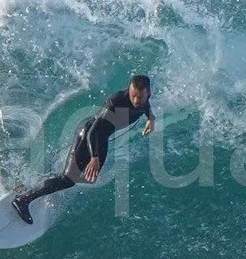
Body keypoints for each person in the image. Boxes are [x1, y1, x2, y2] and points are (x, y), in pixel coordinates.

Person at [13, 74, 153, 222]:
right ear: (129, 91)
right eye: (133, 96)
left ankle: (45, 182)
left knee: (89, 178)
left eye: (140, 97)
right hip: (88, 135)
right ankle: (22, 200)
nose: (136, 100)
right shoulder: (116, 101)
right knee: (68, 180)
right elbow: (93, 131)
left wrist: (151, 119)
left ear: (148, 93)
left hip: (103, 138)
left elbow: (146, 108)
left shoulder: (143, 100)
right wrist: (94, 158)